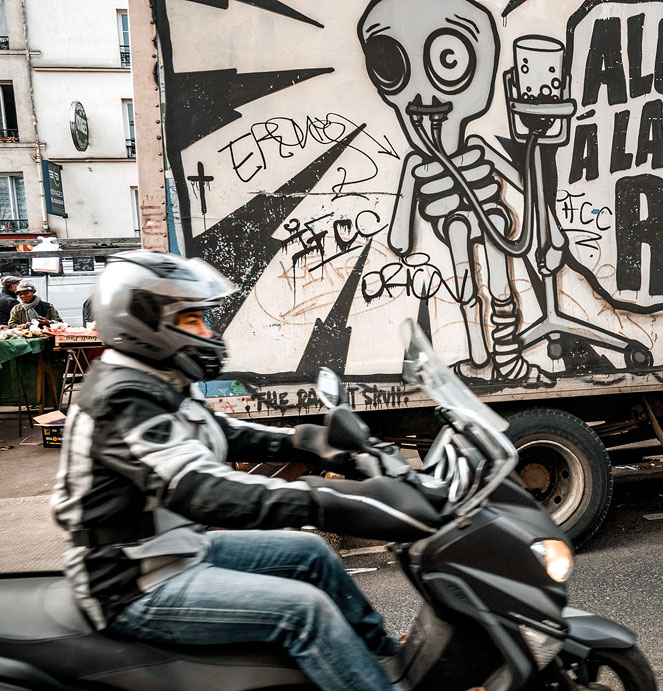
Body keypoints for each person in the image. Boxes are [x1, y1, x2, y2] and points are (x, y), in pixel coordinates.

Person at [51, 250, 437, 691]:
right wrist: (323, 501)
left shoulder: (157, 381)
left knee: (311, 555)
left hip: (171, 550)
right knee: (303, 609)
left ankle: (383, 657)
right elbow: (200, 488)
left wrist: (314, 443)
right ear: (145, 323)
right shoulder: (122, 401)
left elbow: (227, 431)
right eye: (194, 319)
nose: (208, 332)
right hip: (131, 582)